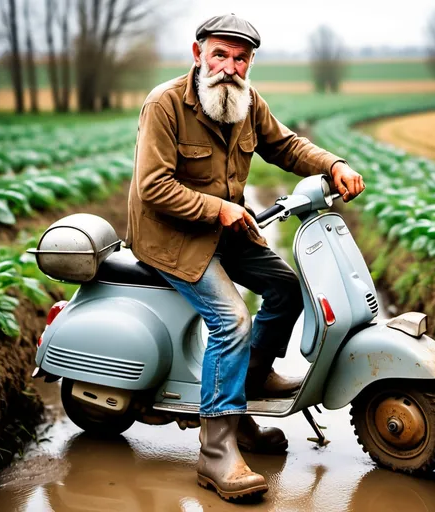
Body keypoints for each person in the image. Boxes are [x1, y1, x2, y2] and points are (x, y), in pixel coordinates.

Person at [126, 13, 365, 501]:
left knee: (286, 290)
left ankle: (241, 404)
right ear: (198, 55)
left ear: (250, 61)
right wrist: (219, 209)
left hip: (227, 229)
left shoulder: (247, 101)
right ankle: (215, 452)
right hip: (172, 236)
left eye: (240, 58)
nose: (230, 67)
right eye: (220, 54)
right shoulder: (165, 104)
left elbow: (285, 145)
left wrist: (334, 164)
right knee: (231, 318)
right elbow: (152, 188)